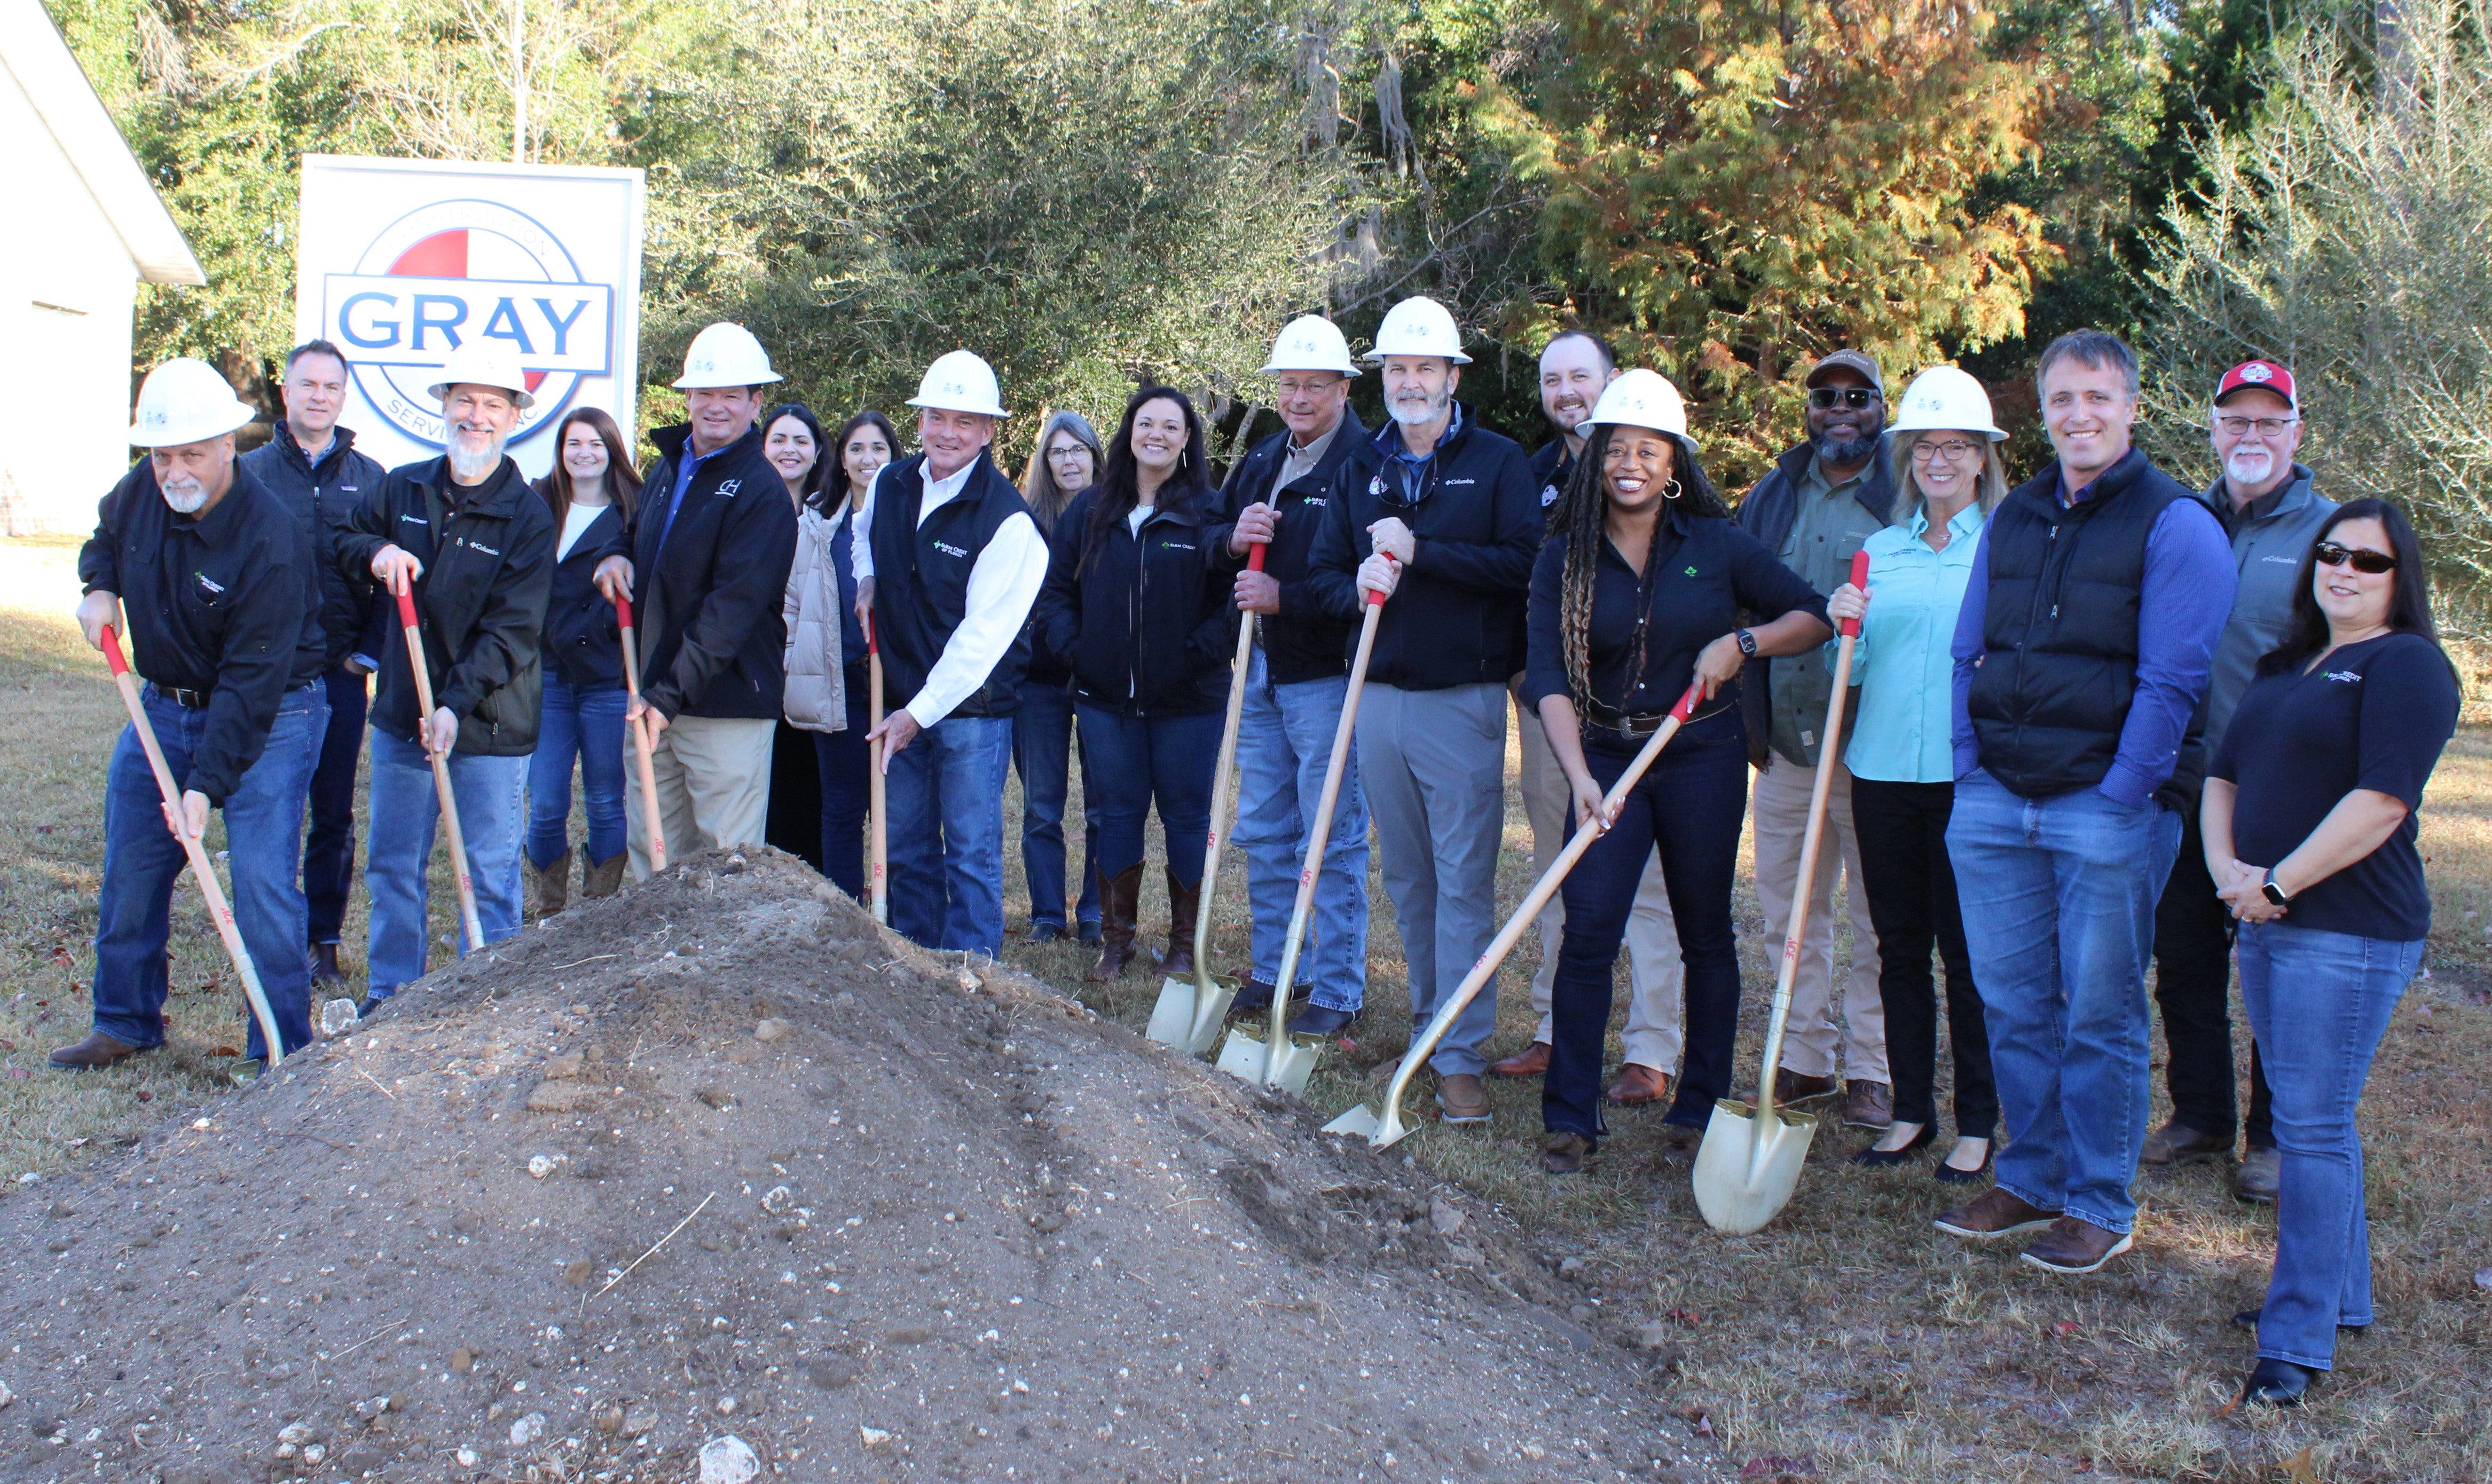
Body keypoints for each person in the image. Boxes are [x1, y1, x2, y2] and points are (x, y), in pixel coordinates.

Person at [1935, 330, 2236, 1274]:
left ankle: (2098, 1200)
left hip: (2104, 808)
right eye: (2062, 399)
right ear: (2044, 410)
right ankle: (2029, 1178)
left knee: (2098, 1012)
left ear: (2131, 407)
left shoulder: (2175, 523)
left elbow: (2172, 681)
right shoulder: (2014, 515)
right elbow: (1965, 652)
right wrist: (1967, 766)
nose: (2078, 416)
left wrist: (2121, 793)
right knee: (2012, 1003)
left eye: (2097, 399)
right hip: (1996, 802)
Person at [1521, 369, 1832, 1172]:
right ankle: (1570, 1117)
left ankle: (1695, 1110)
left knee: (1704, 934)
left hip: (1700, 756)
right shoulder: (1564, 554)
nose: (1630, 462)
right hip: (1603, 752)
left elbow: (1811, 614)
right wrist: (1578, 773)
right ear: (1594, 460)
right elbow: (1548, 676)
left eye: (1648, 450)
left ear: (1673, 463)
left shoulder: (1716, 544)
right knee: (1587, 933)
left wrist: (1742, 644)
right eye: (1615, 448)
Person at [2202, 499, 2458, 1407]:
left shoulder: (2408, 666)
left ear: (2400, 579)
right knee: (2319, 1120)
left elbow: (2381, 801)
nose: (2344, 570)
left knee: (2307, 1128)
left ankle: (2297, 1337)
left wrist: (2279, 883)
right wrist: (2229, 871)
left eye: (2370, 561)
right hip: (2267, 921)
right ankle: (2340, 1299)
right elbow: (2222, 776)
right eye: (2332, 553)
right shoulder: (2283, 667)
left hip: (2346, 930)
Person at [1306, 296, 1540, 1125]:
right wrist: (1355, 587)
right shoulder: (1357, 466)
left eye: (1423, 368)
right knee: (1406, 879)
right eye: (1396, 369)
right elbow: (1322, 575)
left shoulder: (1498, 460)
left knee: (1461, 881)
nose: (1409, 382)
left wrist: (1423, 553)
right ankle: (1425, 1025)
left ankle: (1460, 1054)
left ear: (1451, 376)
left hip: (1460, 701)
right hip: (1376, 699)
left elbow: (1522, 562)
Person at [59, 358, 328, 1069]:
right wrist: (98, 587)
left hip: (269, 719)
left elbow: (250, 685)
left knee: (263, 885)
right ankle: (125, 1021)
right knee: (132, 872)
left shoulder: (270, 540)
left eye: (190, 454)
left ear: (226, 447)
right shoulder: (142, 493)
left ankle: (281, 1050)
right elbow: (106, 539)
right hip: (161, 710)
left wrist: (205, 786)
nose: (174, 469)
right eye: (161, 453)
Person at [2145, 360, 2335, 1204]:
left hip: (2280, 797)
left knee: (2272, 966)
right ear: (2212, 430)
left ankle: (2271, 1139)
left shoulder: (2331, 533)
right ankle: (2199, 1117)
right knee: (2182, 960)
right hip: (2182, 784)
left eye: (2268, 423)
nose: (2249, 437)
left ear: (2295, 433)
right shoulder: (2178, 521)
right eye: (2235, 422)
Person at [1495, 329, 1687, 1107]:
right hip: (1554, 714)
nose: (1567, 393)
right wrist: (1523, 673)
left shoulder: (1659, 472)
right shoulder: (1529, 477)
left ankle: (1648, 1047)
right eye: (1552, 381)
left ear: (1611, 381)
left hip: (1642, 719)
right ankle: (1553, 1028)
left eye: (1581, 377)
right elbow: (1513, 580)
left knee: (1641, 878)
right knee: (1557, 868)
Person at [1821, 366, 2005, 1179]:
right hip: (1884, 772)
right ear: (1906, 458)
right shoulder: (1878, 551)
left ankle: (1976, 1123)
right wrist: (1841, 629)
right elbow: (1850, 676)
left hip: (1967, 780)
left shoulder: (2006, 550)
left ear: (1980, 459)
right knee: (1897, 947)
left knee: (1967, 957)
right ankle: (1907, 1113)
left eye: (1955, 446)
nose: (1938, 459)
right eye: (1924, 446)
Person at [336, 340, 556, 1008]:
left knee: (489, 870)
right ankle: (391, 992)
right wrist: (376, 552)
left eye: (493, 403)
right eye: (464, 400)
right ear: (443, 405)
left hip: (487, 723)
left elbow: (511, 631)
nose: (477, 415)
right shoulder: (403, 486)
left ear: (515, 415)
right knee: (394, 863)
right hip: (404, 715)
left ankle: (483, 997)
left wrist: (455, 705)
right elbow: (346, 538)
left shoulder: (527, 514)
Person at [1732, 349, 1897, 1130]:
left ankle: (1872, 1068)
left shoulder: (1903, 493)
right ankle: (1803, 1057)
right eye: (1824, 395)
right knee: (1788, 914)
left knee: (1874, 917)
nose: (1839, 408)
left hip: (1876, 750)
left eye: (1856, 397)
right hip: (1788, 744)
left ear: (1880, 408)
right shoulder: (1773, 492)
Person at [1207, 317, 1377, 1035]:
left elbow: (1366, 587)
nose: (1299, 396)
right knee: (1265, 827)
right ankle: (1279, 966)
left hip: (1326, 676)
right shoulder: (1263, 457)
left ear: (1342, 387)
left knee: (1329, 834)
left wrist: (1288, 598)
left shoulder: (1366, 465)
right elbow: (1216, 542)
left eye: (1314, 384)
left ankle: (1336, 988)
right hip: (1260, 669)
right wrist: (1231, 541)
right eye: (1288, 383)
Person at [853, 351, 1048, 955]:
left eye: (965, 422)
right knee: (906, 843)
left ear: (988, 432)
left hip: (970, 712)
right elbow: (862, 537)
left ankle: (971, 972)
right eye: (937, 417)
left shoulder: (1008, 522)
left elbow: (981, 642)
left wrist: (917, 714)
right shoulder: (889, 483)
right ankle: (916, 968)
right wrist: (865, 580)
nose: (948, 433)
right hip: (900, 693)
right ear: (919, 422)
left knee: (968, 852)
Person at [1035, 388, 1234, 980]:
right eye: (1145, 422)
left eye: (1170, 426)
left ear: (1186, 439)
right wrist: (1080, 654)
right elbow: (1053, 593)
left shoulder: (1208, 510)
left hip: (1189, 702)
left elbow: (1229, 603)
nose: (1156, 434)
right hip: (1105, 702)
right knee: (1116, 814)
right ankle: (1116, 943)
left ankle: (1181, 945)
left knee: (1186, 817)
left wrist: (1192, 657)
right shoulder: (1090, 510)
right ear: (1128, 432)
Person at [591, 323, 798, 877]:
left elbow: (730, 613)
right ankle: (659, 965)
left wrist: (666, 696)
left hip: (722, 708)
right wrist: (616, 553)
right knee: (653, 861)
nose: (716, 406)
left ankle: (723, 970)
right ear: (687, 397)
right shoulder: (669, 466)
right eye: (705, 393)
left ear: (756, 403)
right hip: (654, 697)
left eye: (732, 394)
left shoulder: (761, 492)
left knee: (725, 868)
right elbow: (637, 534)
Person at [238, 340, 386, 988]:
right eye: (308, 384)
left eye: (332, 386)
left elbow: (394, 573)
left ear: (343, 395)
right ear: (287, 391)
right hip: (267, 674)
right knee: (271, 807)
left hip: (340, 673)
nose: (319, 395)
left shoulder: (372, 477)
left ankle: (323, 939)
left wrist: (367, 653)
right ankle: (271, 941)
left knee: (332, 809)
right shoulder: (249, 473)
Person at [525, 406, 642, 915]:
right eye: (574, 444)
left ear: (612, 450)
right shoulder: (538, 504)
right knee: (547, 800)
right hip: (547, 674)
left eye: (595, 443)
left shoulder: (633, 511)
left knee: (604, 798)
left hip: (607, 678)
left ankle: (599, 912)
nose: (584, 453)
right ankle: (549, 910)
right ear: (561, 452)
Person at [785, 410, 893, 898]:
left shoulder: (911, 513)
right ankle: (844, 909)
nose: (867, 458)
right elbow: (792, 598)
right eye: (857, 449)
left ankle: (896, 909)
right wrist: (795, 658)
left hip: (896, 685)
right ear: (842, 459)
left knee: (895, 808)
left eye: (878, 449)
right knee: (842, 808)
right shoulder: (818, 521)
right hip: (837, 681)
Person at [1013, 410, 1107, 943]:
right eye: (1057, 451)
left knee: (1103, 803)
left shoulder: (1118, 517)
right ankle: (1047, 914)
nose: (1068, 460)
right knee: (1040, 805)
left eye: (1078, 450)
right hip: (1038, 681)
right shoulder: (1025, 521)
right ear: (1044, 461)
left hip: (1100, 680)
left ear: (1095, 456)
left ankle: (1095, 912)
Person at [763, 402, 834, 872]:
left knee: (807, 786)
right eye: (779, 440)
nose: (789, 450)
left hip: (808, 673)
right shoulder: (741, 504)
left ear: (816, 453)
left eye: (800, 441)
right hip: (753, 670)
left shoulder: (829, 515)